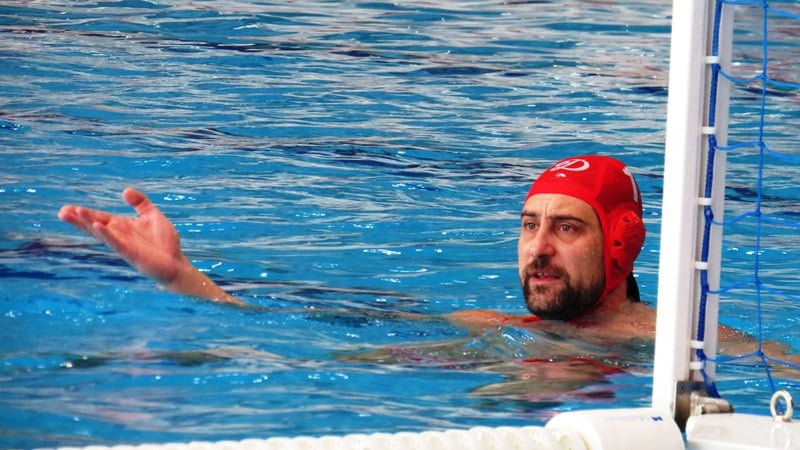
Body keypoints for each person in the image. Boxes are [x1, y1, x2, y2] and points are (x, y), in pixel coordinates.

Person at [58, 155, 654, 339]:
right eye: (528, 226)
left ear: (620, 244)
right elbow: (303, 337)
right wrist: (181, 278)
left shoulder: (672, 349)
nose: (537, 248)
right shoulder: (493, 329)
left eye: (566, 228)